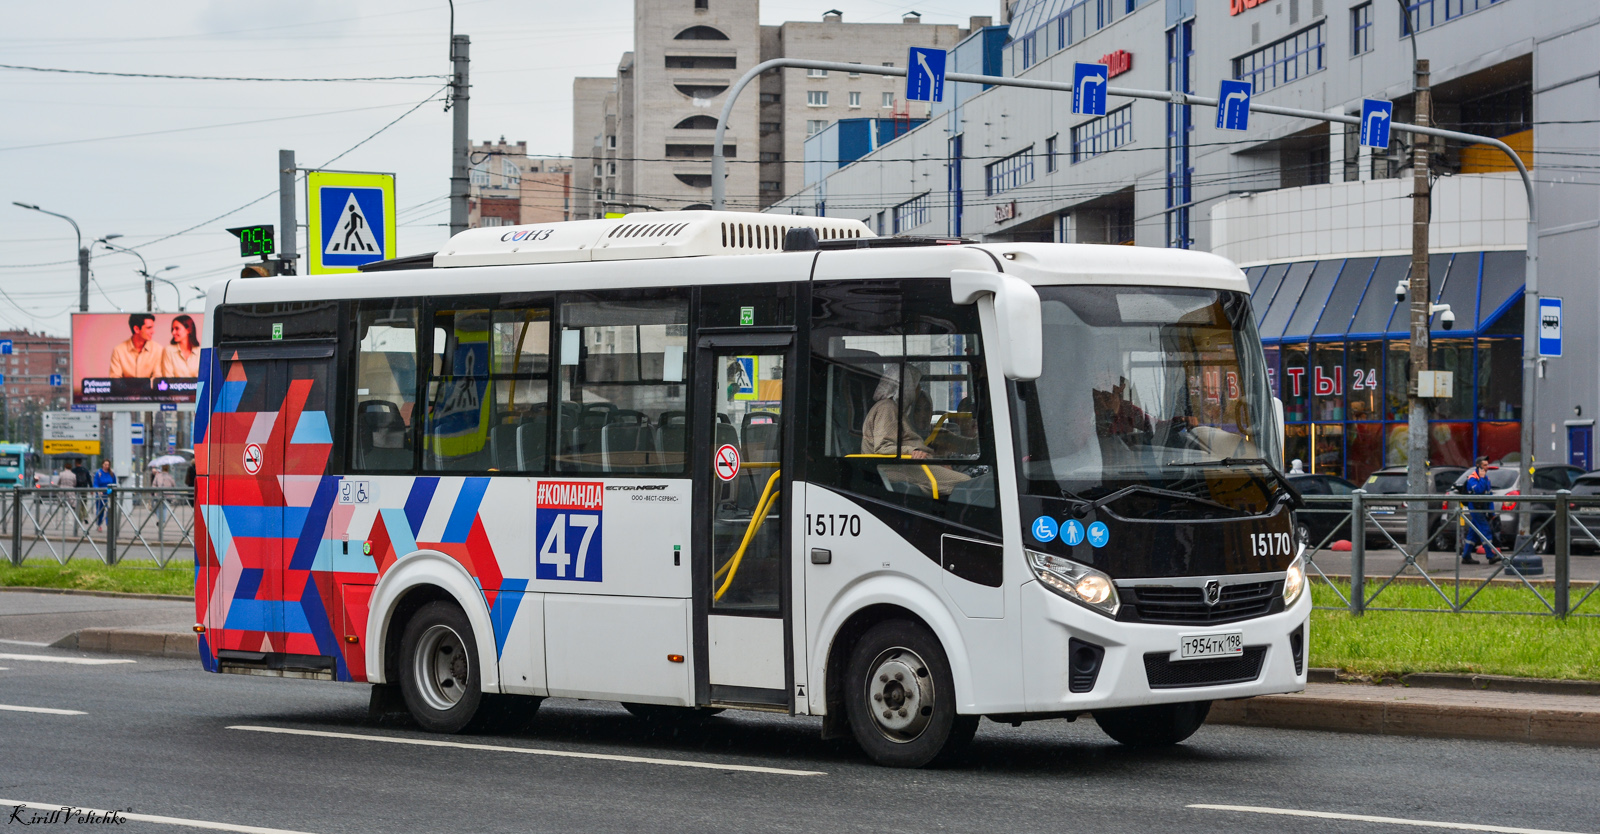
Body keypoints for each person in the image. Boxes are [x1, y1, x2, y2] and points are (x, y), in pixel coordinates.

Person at [861, 364, 970, 496]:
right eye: (916, 384)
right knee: (966, 483)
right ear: (907, 386)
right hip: (897, 468)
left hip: (907, 465)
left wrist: (935, 462)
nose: (917, 389)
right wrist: (913, 451)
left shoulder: (897, 410)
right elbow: (883, 447)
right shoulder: (887, 408)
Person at [1459, 456, 1498, 565]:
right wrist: (1481, 478)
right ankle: (1491, 555)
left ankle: (1466, 556)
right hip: (1476, 508)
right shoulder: (1473, 478)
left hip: (1482, 508)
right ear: (1478, 466)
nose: (1487, 467)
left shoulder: (1486, 478)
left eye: (1487, 465)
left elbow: (1489, 496)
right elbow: (1479, 490)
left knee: (1473, 533)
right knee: (1485, 530)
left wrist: (1492, 513)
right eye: (1484, 465)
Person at [108, 313, 163, 379]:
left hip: (149, 389)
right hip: (126, 390)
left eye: (152, 327)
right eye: (149, 328)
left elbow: (157, 378)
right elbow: (115, 379)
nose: (153, 331)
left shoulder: (158, 350)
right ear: (136, 329)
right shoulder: (118, 351)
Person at [92, 460, 117, 531]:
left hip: (109, 494)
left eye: (108, 465)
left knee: (109, 510)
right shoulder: (99, 473)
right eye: (105, 464)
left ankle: (108, 524)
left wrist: (113, 492)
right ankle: (99, 524)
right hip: (101, 495)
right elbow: (95, 484)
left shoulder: (111, 473)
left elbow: (114, 484)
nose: (107, 466)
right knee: (100, 511)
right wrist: (98, 490)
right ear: (102, 465)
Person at [71, 459, 92, 525]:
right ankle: (85, 517)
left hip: (76, 489)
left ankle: (80, 518)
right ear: (81, 462)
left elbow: (73, 480)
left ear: (75, 463)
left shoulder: (73, 470)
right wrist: (91, 489)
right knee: (84, 503)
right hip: (84, 489)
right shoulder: (85, 470)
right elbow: (89, 479)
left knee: (78, 504)